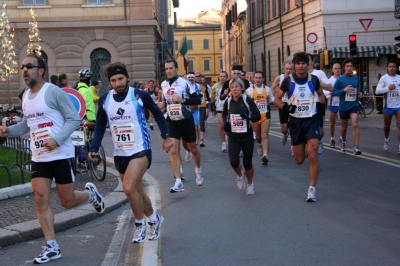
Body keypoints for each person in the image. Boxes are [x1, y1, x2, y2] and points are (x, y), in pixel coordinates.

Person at [0, 54, 105, 264]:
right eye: (22, 66)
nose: (24, 70)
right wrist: (8, 131)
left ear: (41, 70)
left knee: (67, 201)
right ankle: (52, 246)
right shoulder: (26, 97)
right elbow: (26, 125)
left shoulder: (53, 91)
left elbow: (74, 118)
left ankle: (90, 194)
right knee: (40, 199)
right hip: (39, 157)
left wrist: (57, 139)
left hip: (61, 154)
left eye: (29, 66)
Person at [88, 62, 171, 243]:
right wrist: (94, 148)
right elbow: (101, 124)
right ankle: (155, 220)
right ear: (109, 82)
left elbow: (157, 113)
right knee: (137, 191)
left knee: (128, 188)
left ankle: (139, 225)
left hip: (140, 149)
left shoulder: (138, 95)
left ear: (127, 78)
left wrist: (166, 135)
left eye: (121, 79)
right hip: (120, 153)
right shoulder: (105, 99)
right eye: (114, 80)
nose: (118, 83)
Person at [274, 52, 324, 202]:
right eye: (298, 63)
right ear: (295, 65)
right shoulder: (288, 81)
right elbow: (276, 98)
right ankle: (305, 145)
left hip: (312, 119)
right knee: (299, 159)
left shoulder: (313, 79)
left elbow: (321, 95)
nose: (301, 66)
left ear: (308, 65)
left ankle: (312, 190)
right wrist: (285, 107)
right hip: (296, 122)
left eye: (303, 63)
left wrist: (320, 114)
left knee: (313, 153)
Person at [158, 59, 204, 192]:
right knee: (173, 150)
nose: (168, 71)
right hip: (171, 120)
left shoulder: (185, 83)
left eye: (171, 68)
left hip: (185, 119)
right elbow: (165, 102)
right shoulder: (164, 84)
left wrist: (183, 100)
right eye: (166, 69)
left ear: (176, 69)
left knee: (192, 148)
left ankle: (198, 170)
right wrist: (162, 106)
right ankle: (178, 181)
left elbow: (197, 100)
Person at [222, 78, 260, 195]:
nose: (234, 89)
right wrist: (226, 125)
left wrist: (248, 117)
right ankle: (239, 175)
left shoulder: (248, 100)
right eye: (232, 87)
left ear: (241, 88)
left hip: (247, 136)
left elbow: (257, 115)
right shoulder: (228, 102)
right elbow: (224, 115)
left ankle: (250, 184)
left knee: (247, 163)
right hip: (233, 137)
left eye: (236, 87)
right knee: (234, 162)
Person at [332, 57, 363, 155]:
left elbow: (357, 90)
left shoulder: (356, 78)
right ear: (344, 67)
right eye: (347, 66)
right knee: (344, 127)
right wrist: (343, 90)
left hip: (354, 105)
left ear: (353, 67)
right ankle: (343, 141)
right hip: (343, 106)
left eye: (351, 66)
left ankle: (356, 147)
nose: (349, 68)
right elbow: (334, 92)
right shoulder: (340, 79)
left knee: (354, 124)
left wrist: (359, 94)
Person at [246, 71, 274, 165]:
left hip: (265, 114)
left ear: (263, 79)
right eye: (256, 78)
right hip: (254, 115)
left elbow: (271, 100)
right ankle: (259, 144)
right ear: (253, 79)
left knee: (264, 135)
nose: (258, 79)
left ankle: (265, 155)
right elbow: (246, 103)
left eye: (260, 78)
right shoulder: (249, 90)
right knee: (258, 136)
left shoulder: (267, 89)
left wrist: (271, 102)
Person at [308, 53, 332, 155]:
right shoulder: (298, 75)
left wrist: (316, 82)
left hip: (318, 104)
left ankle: (320, 140)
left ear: (312, 62)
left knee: (320, 130)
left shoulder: (319, 73)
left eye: (308, 60)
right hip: (304, 106)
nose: (305, 62)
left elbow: (329, 87)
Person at [375, 59, 400, 153]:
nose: (392, 68)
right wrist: (388, 88)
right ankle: (386, 139)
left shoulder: (399, 77)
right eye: (390, 67)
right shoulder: (384, 78)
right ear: (387, 68)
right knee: (386, 126)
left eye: (393, 67)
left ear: (396, 68)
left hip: (398, 106)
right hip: (388, 106)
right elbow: (377, 91)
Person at [270, 62, 294, 149]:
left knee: (293, 125)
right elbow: (271, 88)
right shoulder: (279, 78)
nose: (288, 71)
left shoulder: (296, 78)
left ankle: (293, 146)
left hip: (293, 104)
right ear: (284, 69)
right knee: (284, 129)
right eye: (287, 69)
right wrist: (274, 98)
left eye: (290, 69)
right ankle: (285, 134)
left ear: (293, 70)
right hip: (282, 104)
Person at [211, 71, 229, 152]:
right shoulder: (215, 86)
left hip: (229, 109)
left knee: (228, 126)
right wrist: (212, 105)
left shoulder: (230, 85)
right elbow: (212, 96)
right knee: (221, 125)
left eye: (224, 76)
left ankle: (228, 137)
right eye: (221, 76)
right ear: (219, 77)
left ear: (227, 77)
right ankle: (223, 143)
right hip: (219, 108)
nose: (222, 78)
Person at [327, 63, 342, 148]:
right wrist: (329, 93)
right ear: (333, 70)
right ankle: (332, 139)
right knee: (332, 122)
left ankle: (341, 137)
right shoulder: (330, 80)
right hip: (333, 103)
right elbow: (325, 90)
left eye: (339, 68)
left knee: (343, 122)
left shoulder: (343, 79)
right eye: (335, 68)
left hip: (342, 103)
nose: (337, 70)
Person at [195, 72, 210, 147]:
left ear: (201, 77)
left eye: (199, 76)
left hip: (202, 106)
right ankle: (196, 139)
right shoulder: (191, 85)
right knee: (195, 125)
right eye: (196, 76)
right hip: (194, 107)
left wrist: (207, 107)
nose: (197, 77)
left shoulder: (205, 86)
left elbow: (208, 97)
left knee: (201, 123)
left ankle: (201, 139)